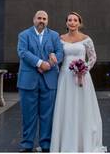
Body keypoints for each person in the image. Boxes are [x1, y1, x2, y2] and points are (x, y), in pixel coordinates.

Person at [50, 12, 105, 152]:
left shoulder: (86, 39)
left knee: (83, 107)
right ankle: (65, 143)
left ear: (79, 23)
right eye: (70, 20)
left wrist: (83, 69)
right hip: (65, 77)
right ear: (66, 23)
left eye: (75, 20)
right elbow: (56, 55)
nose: (72, 22)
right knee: (66, 106)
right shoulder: (60, 39)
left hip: (82, 77)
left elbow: (92, 57)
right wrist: (53, 59)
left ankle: (83, 142)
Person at [18, 10, 64, 153]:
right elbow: (23, 52)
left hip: (49, 81)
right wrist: (39, 63)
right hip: (28, 81)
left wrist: (48, 65)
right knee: (28, 114)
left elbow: (60, 53)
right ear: (34, 20)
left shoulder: (55, 36)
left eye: (44, 18)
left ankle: (46, 145)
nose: (41, 21)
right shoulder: (24, 35)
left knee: (47, 115)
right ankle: (27, 144)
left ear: (47, 21)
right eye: (39, 18)